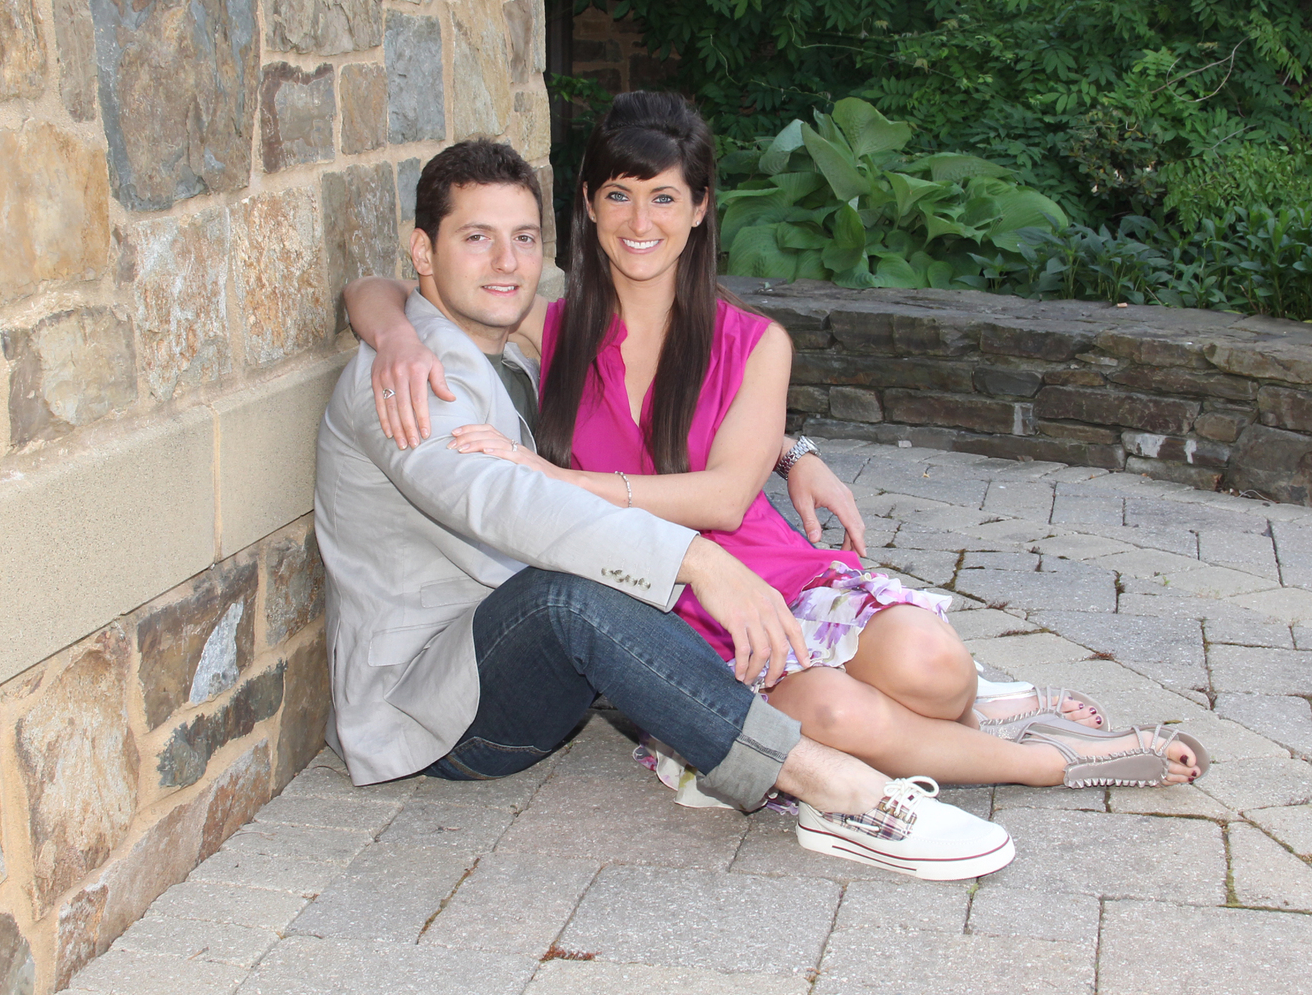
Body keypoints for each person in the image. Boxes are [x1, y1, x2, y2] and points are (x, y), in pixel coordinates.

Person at [349, 96, 1209, 801]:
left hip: (764, 573)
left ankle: (974, 711)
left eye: (664, 197)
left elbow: (725, 499)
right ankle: (1057, 760)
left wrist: (565, 478)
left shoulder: (755, 341)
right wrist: (394, 336)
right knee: (836, 719)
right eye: (618, 195)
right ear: (589, 205)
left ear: (700, 209)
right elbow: (380, 285)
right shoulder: (550, 326)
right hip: (658, 610)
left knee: (934, 667)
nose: (640, 221)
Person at [318, 137, 1015, 880]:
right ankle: (835, 789)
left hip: (516, 663)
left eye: (522, 238)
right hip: (437, 710)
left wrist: (789, 451)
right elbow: (501, 499)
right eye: (476, 238)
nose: (506, 262)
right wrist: (696, 559)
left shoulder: (513, 343)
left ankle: (914, 710)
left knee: (595, 582)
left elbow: (658, 415)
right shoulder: (406, 382)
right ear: (424, 252)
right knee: (572, 595)